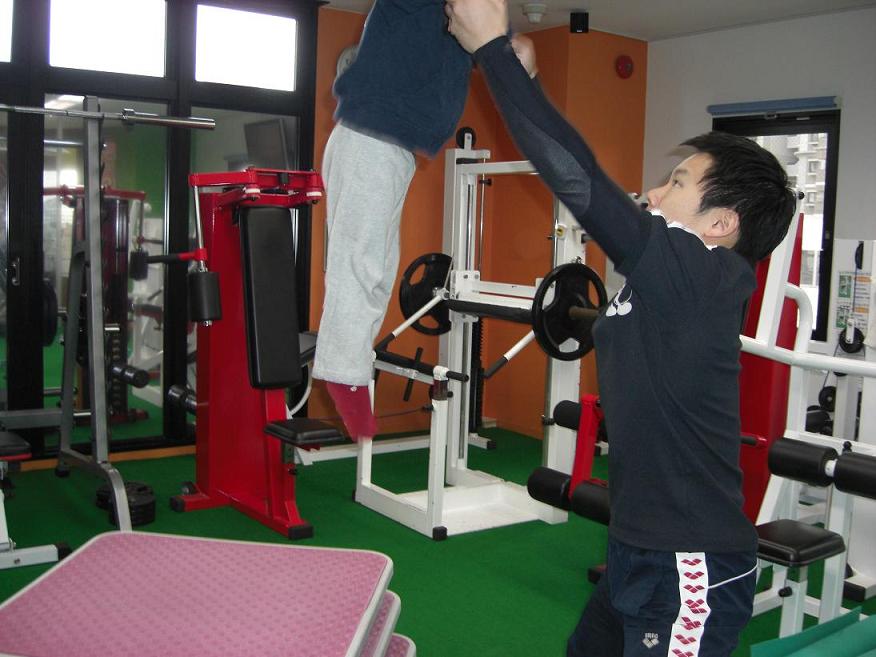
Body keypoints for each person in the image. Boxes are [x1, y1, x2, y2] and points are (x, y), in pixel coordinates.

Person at [443, 2, 797, 656]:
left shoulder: (704, 274)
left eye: (677, 182)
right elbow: (582, 174)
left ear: (721, 224)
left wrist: (493, 53)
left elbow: (582, 182)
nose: (654, 193)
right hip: (636, 548)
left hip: (690, 566)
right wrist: (522, 81)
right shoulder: (672, 277)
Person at [312, 0, 472, 441]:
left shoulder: (464, 16)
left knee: (379, 268)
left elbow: (481, 35)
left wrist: (510, 46)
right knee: (360, 264)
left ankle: (349, 364)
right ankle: (342, 373)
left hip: (390, 146)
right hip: (371, 137)